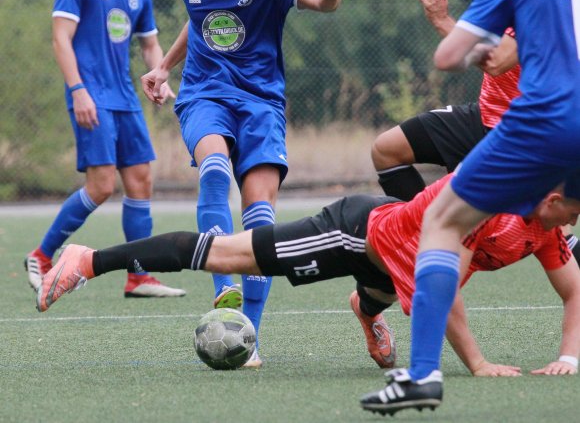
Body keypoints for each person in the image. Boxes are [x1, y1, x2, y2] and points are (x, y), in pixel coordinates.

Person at [361, 0, 580, 415]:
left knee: (441, 222)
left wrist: (479, 41)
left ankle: (423, 375)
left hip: (542, 127)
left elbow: (448, 56)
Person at [36, 173, 580, 381]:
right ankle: (88, 259)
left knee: (385, 289)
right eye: (573, 211)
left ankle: (366, 312)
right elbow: (439, 293)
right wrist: (479, 365)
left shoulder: (542, 223)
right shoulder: (490, 210)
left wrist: (569, 357)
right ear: (554, 199)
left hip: (390, 253)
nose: (574, 223)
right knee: (227, 256)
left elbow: (573, 288)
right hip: (353, 232)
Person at [140, 0, 354, 366]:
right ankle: (225, 290)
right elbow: (199, 21)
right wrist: (165, 67)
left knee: (260, 217)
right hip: (205, 96)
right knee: (214, 170)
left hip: (260, 105)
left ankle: (247, 334)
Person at [372, 0, 580, 261]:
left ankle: (431, 239)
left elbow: (498, 59)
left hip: (515, 128)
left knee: (553, 230)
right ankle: (416, 232)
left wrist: (443, 23)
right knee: (387, 150)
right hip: (487, 115)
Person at [24, 0, 185, 299]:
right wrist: (78, 91)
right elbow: (60, 39)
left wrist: (161, 76)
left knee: (141, 180)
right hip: (90, 94)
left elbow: (150, 46)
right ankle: (41, 256)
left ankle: (139, 276)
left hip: (126, 97)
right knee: (99, 186)